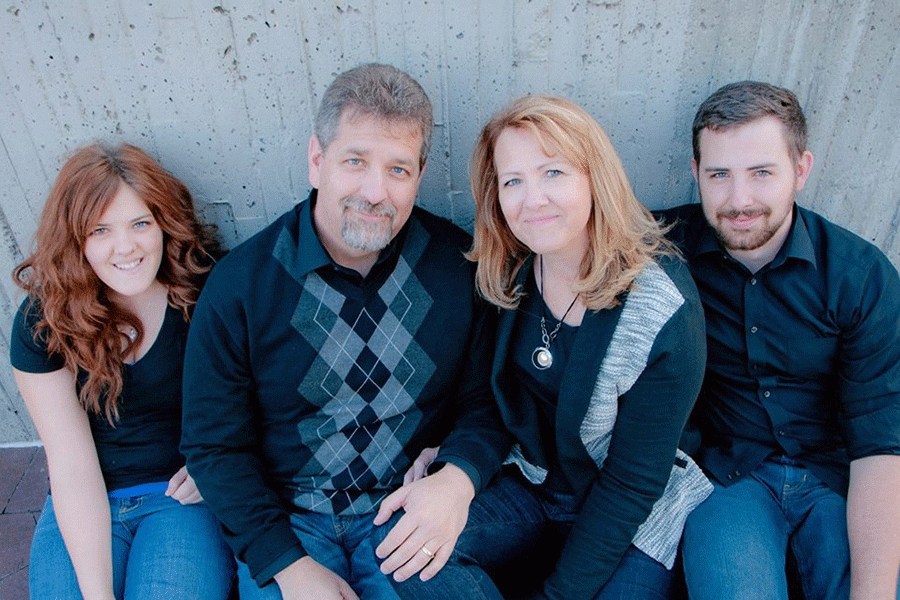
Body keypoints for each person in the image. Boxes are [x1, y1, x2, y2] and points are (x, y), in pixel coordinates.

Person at [179, 63, 506, 600]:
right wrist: (287, 567)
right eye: (355, 161)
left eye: (398, 170)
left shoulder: (457, 265)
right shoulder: (240, 286)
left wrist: (458, 478)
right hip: (292, 520)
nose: (375, 191)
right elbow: (215, 446)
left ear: (419, 176)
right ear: (317, 161)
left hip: (405, 507)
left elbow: (487, 403)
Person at [392, 95, 712, 600]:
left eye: (553, 173)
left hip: (630, 514)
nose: (532, 199)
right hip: (531, 481)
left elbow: (631, 487)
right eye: (512, 181)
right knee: (407, 552)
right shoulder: (509, 270)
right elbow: (493, 407)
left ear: (594, 178)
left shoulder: (662, 310)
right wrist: (459, 472)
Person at [658, 81, 900, 600]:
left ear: (801, 169)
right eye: (719, 174)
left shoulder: (860, 276)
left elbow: (880, 444)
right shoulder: (661, 252)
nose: (739, 200)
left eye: (762, 173)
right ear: (696, 172)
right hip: (727, 477)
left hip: (838, 478)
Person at [10, 143, 234, 600]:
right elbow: (71, 467)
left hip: (180, 499)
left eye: (140, 224)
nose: (125, 247)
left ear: (163, 225)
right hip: (85, 498)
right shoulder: (43, 320)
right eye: (100, 230)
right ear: (76, 241)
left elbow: (255, 394)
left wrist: (218, 456)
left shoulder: (204, 292)